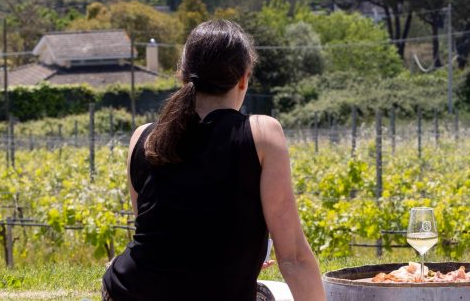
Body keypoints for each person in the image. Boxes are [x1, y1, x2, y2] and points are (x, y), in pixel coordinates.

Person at [102, 20, 325, 301]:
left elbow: (164, 238)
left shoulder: (143, 137)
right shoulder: (263, 134)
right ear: (243, 79)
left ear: (182, 75)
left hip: (125, 292)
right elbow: (293, 257)